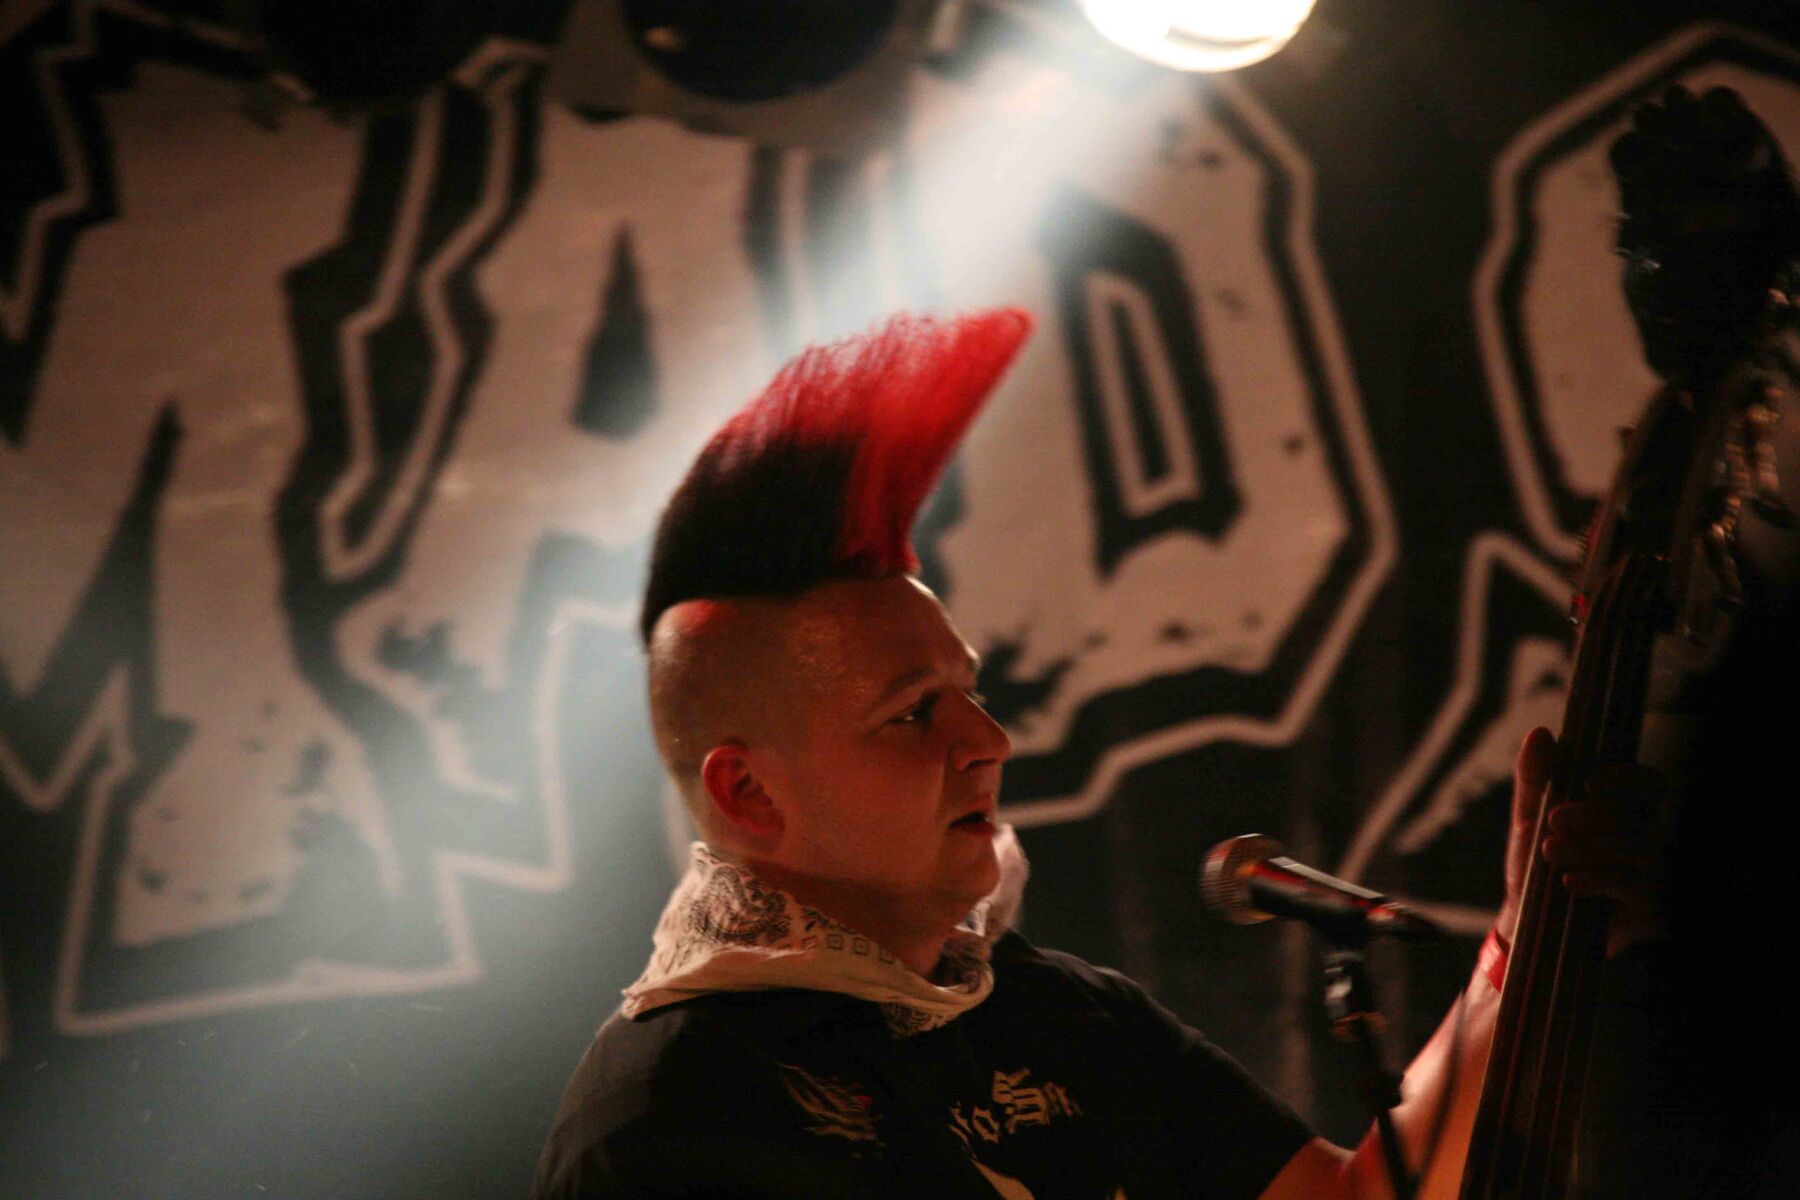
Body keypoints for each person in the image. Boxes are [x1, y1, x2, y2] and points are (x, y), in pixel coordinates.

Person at [530, 309, 1660, 1199]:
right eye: (912, 714)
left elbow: (1358, 1198)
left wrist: (1524, 948)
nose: (988, 741)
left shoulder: (1059, 1013)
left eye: (971, 694)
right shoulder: (670, 1107)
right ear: (749, 792)